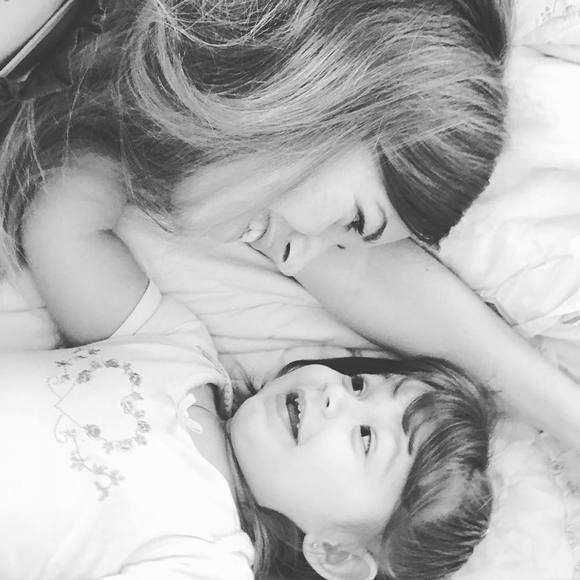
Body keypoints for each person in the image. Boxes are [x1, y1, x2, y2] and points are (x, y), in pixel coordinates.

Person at [3, 0, 580, 455]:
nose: (300, 258)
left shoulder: (116, 134)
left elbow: (362, 276)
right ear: (322, 98)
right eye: (354, 220)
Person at [8, 153, 498, 580]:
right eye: (359, 384)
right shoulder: (179, 351)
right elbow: (63, 236)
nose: (336, 397)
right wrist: (137, 149)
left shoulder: (205, 560)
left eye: (366, 438)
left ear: (336, 553)